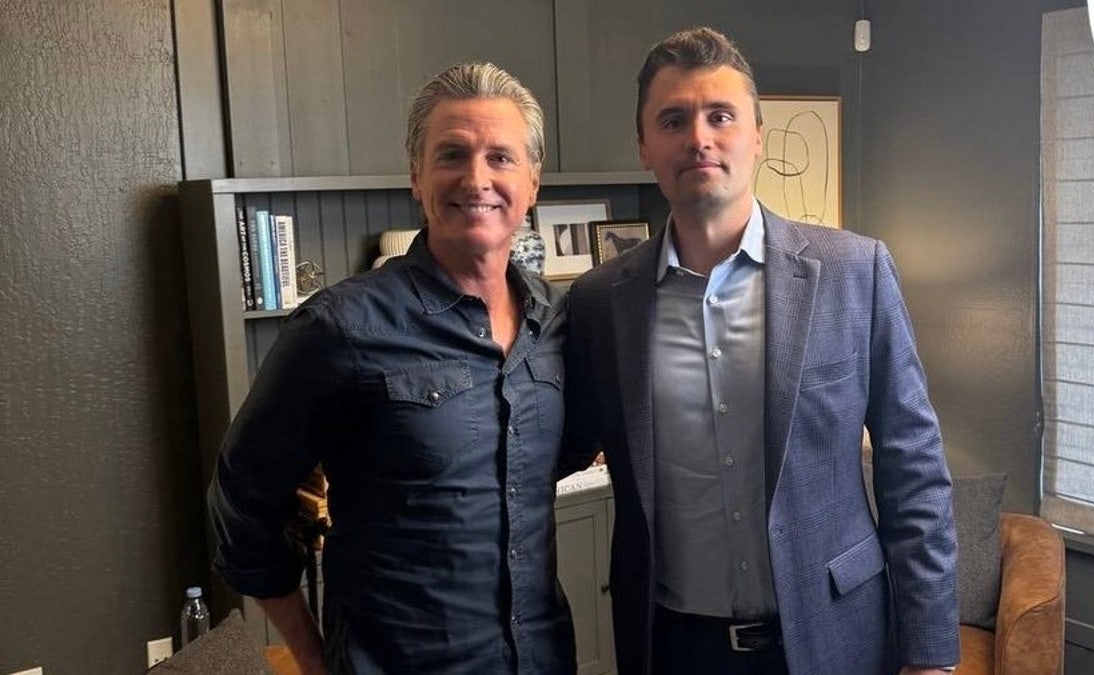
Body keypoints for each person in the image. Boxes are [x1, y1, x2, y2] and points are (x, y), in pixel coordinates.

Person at [562, 27, 959, 675]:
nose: (699, 137)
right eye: (673, 120)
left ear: (757, 138)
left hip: (837, 636)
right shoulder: (598, 302)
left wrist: (930, 652)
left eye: (721, 116)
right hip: (673, 648)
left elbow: (912, 467)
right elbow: (555, 445)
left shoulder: (855, 272)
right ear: (643, 146)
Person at [209, 62, 575, 674]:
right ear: (416, 177)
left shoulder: (557, 321)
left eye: (500, 157)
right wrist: (313, 658)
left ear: (532, 183)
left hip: (540, 659)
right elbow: (241, 504)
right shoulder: (339, 329)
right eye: (451, 154)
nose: (476, 178)